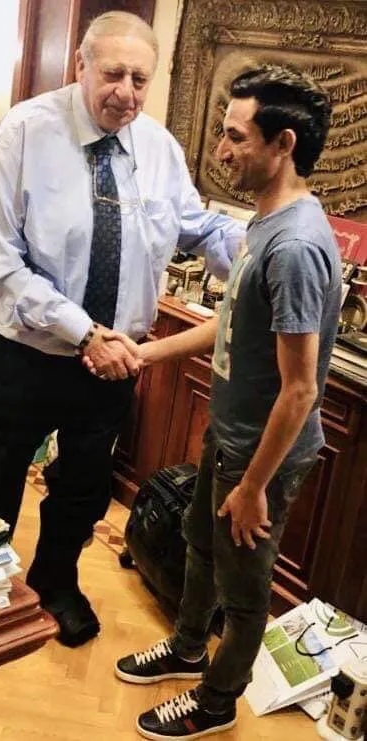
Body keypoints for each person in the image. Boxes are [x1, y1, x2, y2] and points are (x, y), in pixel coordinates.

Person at [0, 10, 244, 649]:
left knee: (85, 486)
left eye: (140, 80)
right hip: (22, 352)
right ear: (81, 66)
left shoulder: (159, 148)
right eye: (113, 74)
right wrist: (83, 332)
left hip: (115, 359)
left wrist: (264, 248)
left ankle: (55, 583)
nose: (127, 93)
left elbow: (198, 227)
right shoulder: (24, 133)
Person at [108, 65, 341, 738]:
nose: (221, 151)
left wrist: (255, 486)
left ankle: (215, 702)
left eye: (236, 136)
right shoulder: (265, 224)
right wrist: (146, 353)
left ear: (283, 144)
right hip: (231, 434)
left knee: (243, 592)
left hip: (262, 456)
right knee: (201, 548)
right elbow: (233, 324)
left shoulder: (295, 247)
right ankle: (186, 649)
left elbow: (301, 388)